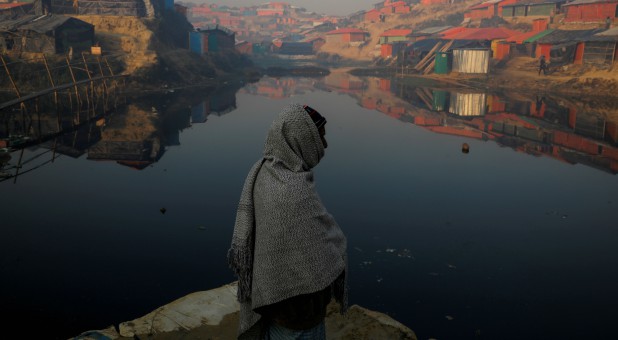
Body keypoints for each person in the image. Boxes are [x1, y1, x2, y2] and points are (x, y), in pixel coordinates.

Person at [228, 103, 348, 339]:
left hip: (273, 304)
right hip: (297, 314)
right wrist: (338, 247)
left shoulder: (263, 171)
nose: (324, 146)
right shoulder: (293, 190)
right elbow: (316, 253)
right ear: (300, 139)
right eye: (319, 138)